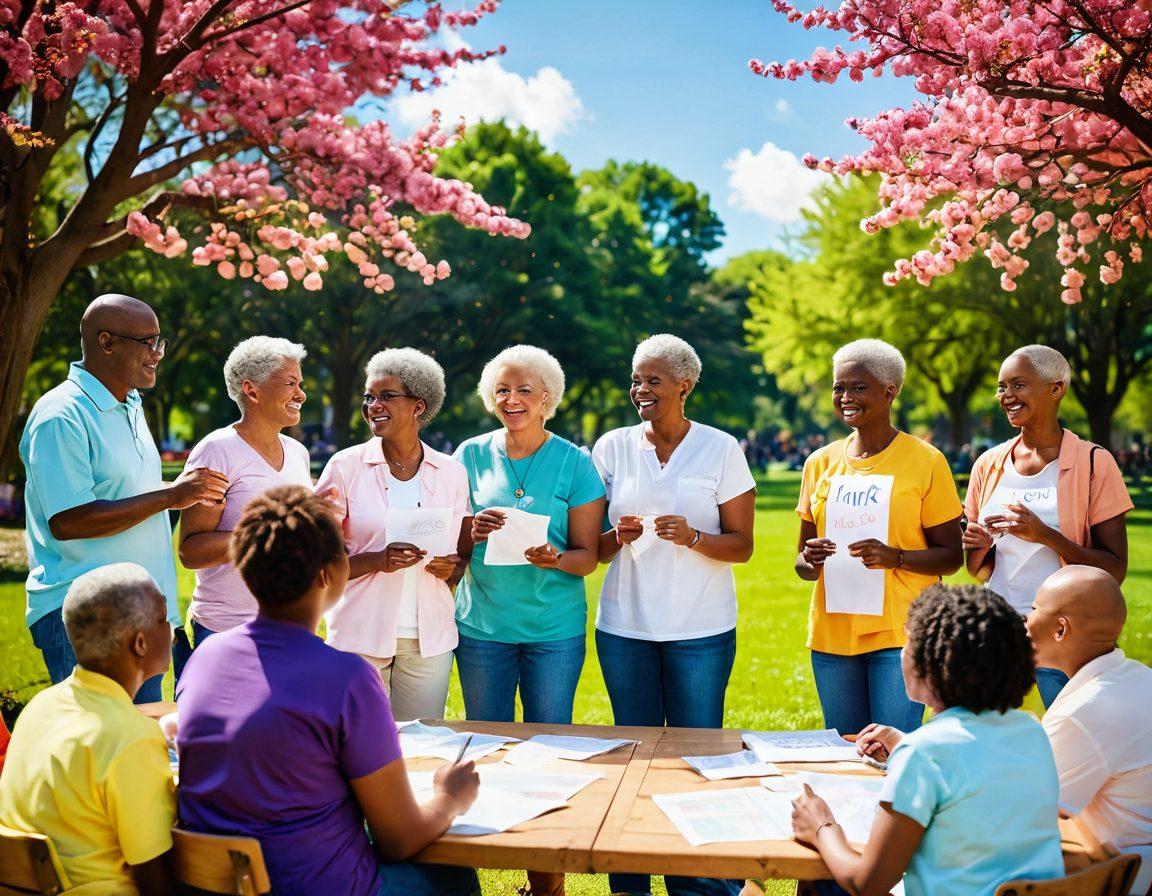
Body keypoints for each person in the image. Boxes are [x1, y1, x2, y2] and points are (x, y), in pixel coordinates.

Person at [176, 486, 480, 896]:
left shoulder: (205, 658)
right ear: (326, 573)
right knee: (454, 876)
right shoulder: (347, 678)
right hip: (316, 885)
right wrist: (449, 798)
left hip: (218, 884)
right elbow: (400, 840)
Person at [593, 334, 754, 896]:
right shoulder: (611, 447)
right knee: (633, 758)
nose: (640, 389)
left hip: (700, 631)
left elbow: (743, 545)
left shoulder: (720, 448)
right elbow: (593, 549)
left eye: (653, 380)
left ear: (685, 385)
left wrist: (694, 537)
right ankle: (629, 884)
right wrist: (616, 536)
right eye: (636, 379)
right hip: (625, 628)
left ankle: (702, 886)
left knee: (697, 759)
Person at [19, 293, 227, 702]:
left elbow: (129, 503)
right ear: (106, 342)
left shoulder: (130, 403)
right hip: (85, 618)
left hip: (141, 616)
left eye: (159, 342)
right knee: (100, 755)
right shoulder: (61, 416)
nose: (157, 354)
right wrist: (169, 496)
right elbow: (69, 521)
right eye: (147, 342)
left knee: (137, 750)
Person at [792, 584, 1064, 896]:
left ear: (932, 667)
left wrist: (822, 826)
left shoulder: (922, 754)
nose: (902, 653)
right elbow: (970, 766)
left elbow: (867, 883)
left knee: (823, 878)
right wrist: (903, 746)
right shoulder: (1030, 731)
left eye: (909, 644)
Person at [454, 345, 605, 896]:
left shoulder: (574, 462)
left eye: (524, 390)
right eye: (502, 390)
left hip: (552, 632)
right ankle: (473, 874)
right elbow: (451, 542)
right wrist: (474, 529)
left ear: (548, 399)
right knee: (485, 753)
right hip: (482, 629)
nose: (511, 399)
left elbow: (588, 555)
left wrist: (555, 558)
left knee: (547, 758)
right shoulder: (468, 455)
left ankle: (548, 884)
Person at [795, 339, 962, 735]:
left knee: (893, 751)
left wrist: (897, 558)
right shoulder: (819, 463)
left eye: (857, 387)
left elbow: (951, 556)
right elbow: (802, 565)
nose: (845, 396)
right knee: (844, 751)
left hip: (899, 634)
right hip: (833, 636)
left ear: (889, 392)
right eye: (839, 387)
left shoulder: (926, 461)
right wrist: (811, 557)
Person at [963, 344, 1132, 707]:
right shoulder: (988, 464)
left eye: (1018, 385)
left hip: (1065, 634)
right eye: (1001, 387)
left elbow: (1114, 568)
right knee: (992, 745)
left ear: (1056, 388)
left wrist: (1045, 536)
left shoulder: (1094, 463)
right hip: (998, 630)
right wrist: (976, 542)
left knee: (1069, 747)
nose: (1006, 395)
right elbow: (980, 569)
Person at [0, 564, 176, 895]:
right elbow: (156, 878)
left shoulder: (39, 708)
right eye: (163, 618)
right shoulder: (131, 737)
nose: (170, 627)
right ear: (140, 643)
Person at [316, 348, 470, 720]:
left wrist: (452, 567)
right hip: (358, 634)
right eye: (369, 397)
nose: (373, 405)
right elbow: (318, 560)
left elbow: (460, 557)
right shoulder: (344, 466)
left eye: (386, 396)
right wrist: (377, 561)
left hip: (428, 638)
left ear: (419, 406)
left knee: (421, 747)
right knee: (354, 747)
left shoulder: (451, 472)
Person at [177, 336, 313, 653]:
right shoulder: (217, 450)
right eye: (290, 383)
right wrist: (268, 534)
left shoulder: (297, 453)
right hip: (227, 631)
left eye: (301, 383)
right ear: (251, 391)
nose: (301, 394)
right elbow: (191, 552)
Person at [1028, 565, 1152, 895]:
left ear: (1060, 629)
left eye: (1033, 609)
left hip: (1116, 878)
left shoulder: (1084, 710)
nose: (1025, 623)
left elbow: (1019, 809)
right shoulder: (1138, 676)